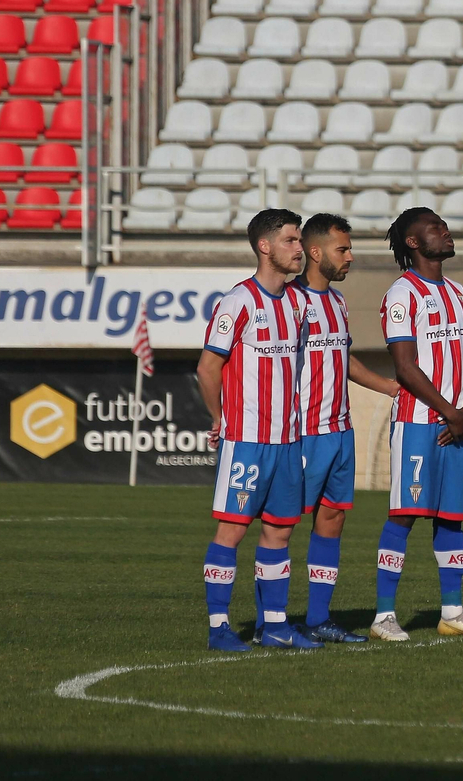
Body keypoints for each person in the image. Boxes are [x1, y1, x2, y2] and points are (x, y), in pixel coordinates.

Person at [368, 207, 463, 642]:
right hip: (418, 423)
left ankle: (452, 612)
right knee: (405, 514)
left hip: (458, 420)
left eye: (445, 227)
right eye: (436, 229)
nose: (446, 233)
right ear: (413, 242)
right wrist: (450, 411)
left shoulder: (458, 294)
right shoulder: (401, 294)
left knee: (451, 519)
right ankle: (383, 616)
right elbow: (405, 368)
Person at [197, 209, 321, 651]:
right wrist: (219, 418)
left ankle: (274, 625)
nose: (299, 249)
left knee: (280, 531)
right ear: (265, 247)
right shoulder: (238, 302)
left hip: (288, 443)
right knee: (232, 530)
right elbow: (208, 367)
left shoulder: (300, 303)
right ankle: (218, 628)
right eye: (291, 240)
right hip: (247, 441)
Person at [288, 213, 399, 644]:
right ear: (316, 253)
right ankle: (271, 620)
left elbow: (343, 359)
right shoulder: (289, 302)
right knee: (280, 525)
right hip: (301, 433)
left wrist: (388, 386)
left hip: (339, 431)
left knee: (331, 521)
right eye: (343, 249)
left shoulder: (336, 302)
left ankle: (319, 619)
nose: (350, 256)